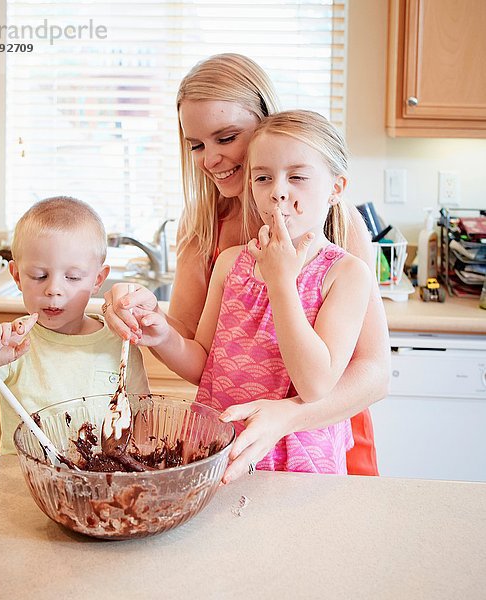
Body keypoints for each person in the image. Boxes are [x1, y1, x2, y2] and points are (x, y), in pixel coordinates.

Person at [102, 54, 390, 481]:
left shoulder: (335, 227)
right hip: (231, 440)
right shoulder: (204, 226)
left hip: (317, 429)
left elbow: (373, 373)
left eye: (227, 137)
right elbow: (199, 345)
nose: (210, 159)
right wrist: (140, 311)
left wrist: (286, 417)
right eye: (197, 145)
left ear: (266, 124)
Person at [0, 197, 149, 454]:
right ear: (16, 276)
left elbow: (143, 429)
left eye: (72, 277)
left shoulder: (120, 346)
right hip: (22, 487)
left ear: (98, 280)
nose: (54, 290)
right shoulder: (12, 346)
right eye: (39, 276)